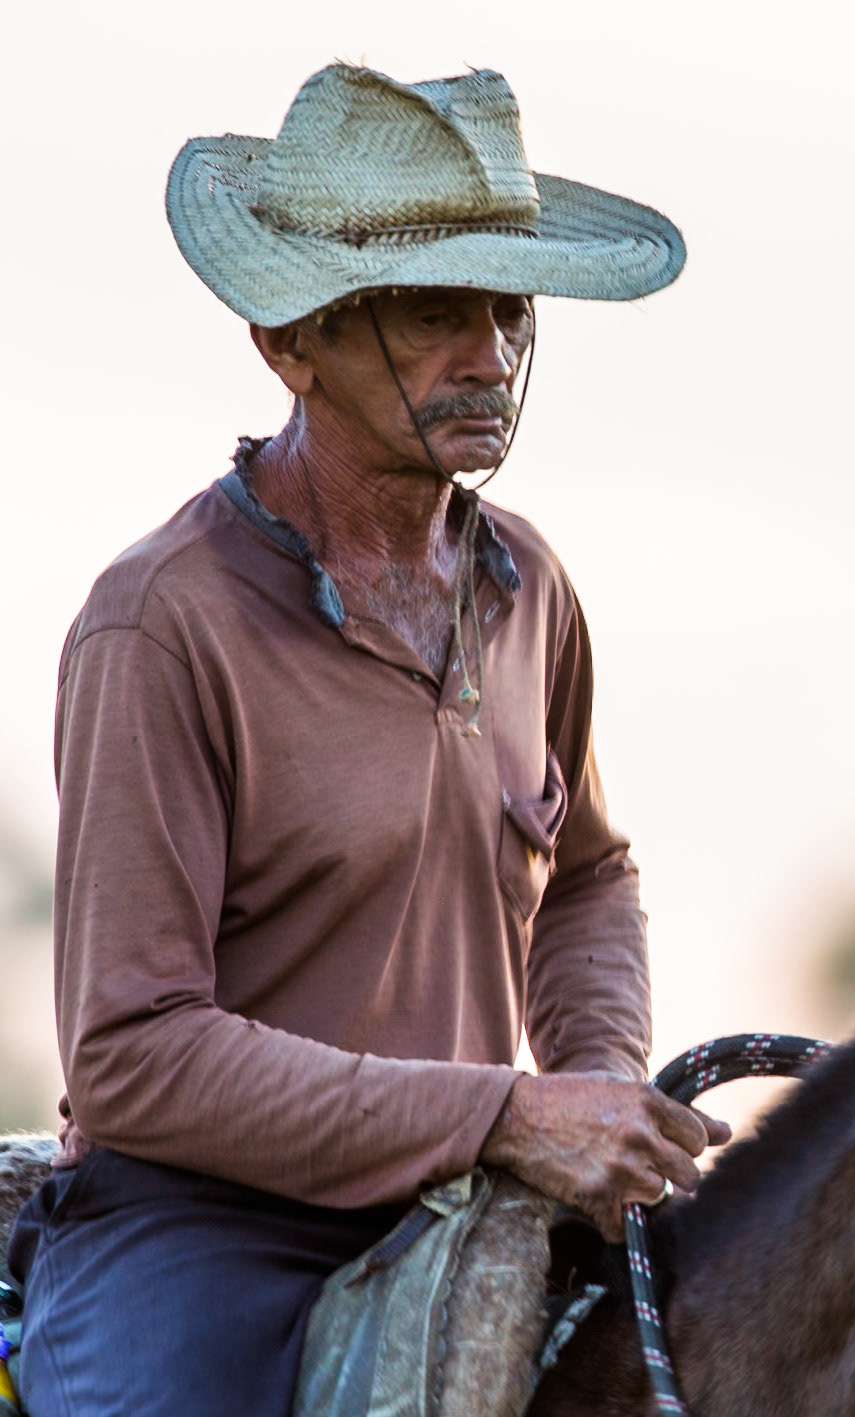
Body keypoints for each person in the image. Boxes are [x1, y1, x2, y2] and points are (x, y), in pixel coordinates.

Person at [9, 62, 729, 1416]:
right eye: (429, 312)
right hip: (208, 1234)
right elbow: (129, 1051)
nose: (491, 354)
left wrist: (591, 1081)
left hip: (474, 1200)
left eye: (506, 309)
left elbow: (584, 875)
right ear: (289, 341)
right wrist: (508, 1112)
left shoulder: (530, 590)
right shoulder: (159, 623)